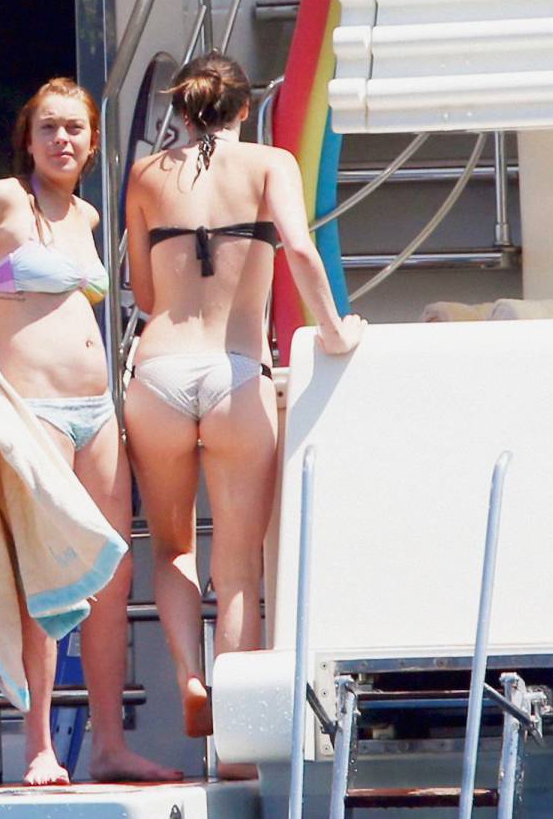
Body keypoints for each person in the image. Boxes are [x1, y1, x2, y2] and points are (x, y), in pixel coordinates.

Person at [0, 78, 181, 786]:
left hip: (97, 414)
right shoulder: (3, 200)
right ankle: (39, 746)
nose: (62, 139)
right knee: (46, 580)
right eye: (49, 127)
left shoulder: (87, 215)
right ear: (27, 139)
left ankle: (110, 745)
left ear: (92, 142)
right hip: (35, 411)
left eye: (75, 128)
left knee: (112, 575)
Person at [123, 52, 364, 749]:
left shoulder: (146, 175)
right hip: (235, 372)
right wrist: (336, 331)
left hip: (159, 373)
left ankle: (189, 678)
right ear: (246, 108)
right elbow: (301, 251)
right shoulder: (269, 163)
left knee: (172, 549)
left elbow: (146, 293)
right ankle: (236, 738)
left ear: (181, 109)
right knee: (237, 570)